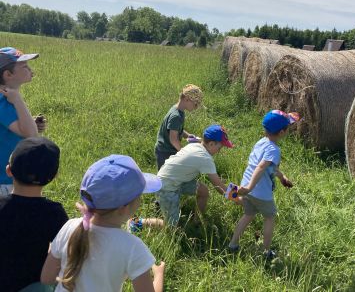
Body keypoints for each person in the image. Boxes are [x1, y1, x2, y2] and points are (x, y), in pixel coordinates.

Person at [41, 155, 165, 292]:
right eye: (139, 196)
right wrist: (159, 275)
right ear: (123, 208)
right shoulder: (133, 247)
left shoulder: (69, 226)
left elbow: (46, 278)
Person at [0, 137, 68, 292]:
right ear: (55, 176)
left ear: (8, 170)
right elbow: (65, 252)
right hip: (33, 285)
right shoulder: (54, 213)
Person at [229, 110, 298, 260]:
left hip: (247, 188)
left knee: (248, 215)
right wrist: (250, 188)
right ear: (281, 132)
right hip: (259, 192)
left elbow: (269, 168)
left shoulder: (261, 142)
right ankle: (266, 252)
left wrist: (281, 177)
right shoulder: (274, 150)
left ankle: (233, 244)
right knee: (269, 217)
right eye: (288, 128)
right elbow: (261, 167)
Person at [156, 124, 233, 226]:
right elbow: (220, 187)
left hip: (176, 180)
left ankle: (197, 220)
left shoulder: (195, 145)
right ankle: (137, 222)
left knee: (203, 191)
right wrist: (237, 198)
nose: (219, 151)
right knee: (170, 227)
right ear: (211, 144)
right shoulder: (205, 158)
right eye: (219, 148)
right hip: (166, 187)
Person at [0, 47, 46, 196]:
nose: (30, 70)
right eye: (25, 66)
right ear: (8, 74)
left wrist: (30, 122)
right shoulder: (4, 101)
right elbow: (31, 135)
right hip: (3, 181)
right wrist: (18, 100)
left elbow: (14, 127)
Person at [154, 84, 204, 170]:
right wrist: (183, 152)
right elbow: (173, 139)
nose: (196, 107)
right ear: (187, 99)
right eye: (195, 104)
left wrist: (188, 136)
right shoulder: (176, 116)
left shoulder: (179, 110)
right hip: (165, 151)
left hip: (167, 149)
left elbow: (176, 129)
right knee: (165, 177)